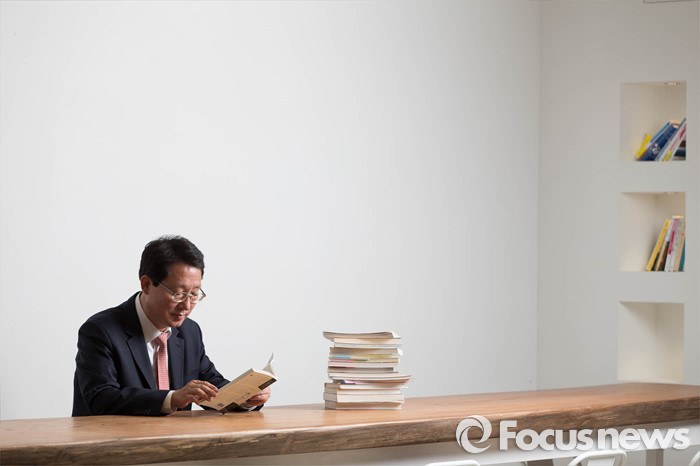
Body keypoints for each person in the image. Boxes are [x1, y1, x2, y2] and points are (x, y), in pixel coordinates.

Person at [72, 235, 271, 416]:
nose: (186, 306)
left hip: (175, 442)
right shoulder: (101, 330)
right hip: (113, 441)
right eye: (178, 294)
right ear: (146, 284)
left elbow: (211, 388)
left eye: (194, 294)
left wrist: (246, 397)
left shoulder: (189, 331)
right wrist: (171, 398)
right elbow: (100, 399)